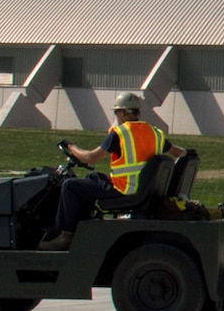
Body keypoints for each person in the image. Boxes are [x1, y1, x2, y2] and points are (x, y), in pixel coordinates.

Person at [38, 92, 186, 249]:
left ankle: (66, 235)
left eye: (116, 112)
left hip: (124, 189)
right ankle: (84, 226)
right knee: (93, 176)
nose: (116, 116)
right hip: (143, 189)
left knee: (70, 186)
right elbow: (180, 153)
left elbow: (90, 158)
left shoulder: (120, 133)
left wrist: (71, 147)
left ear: (122, 113)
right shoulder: (154, 133)